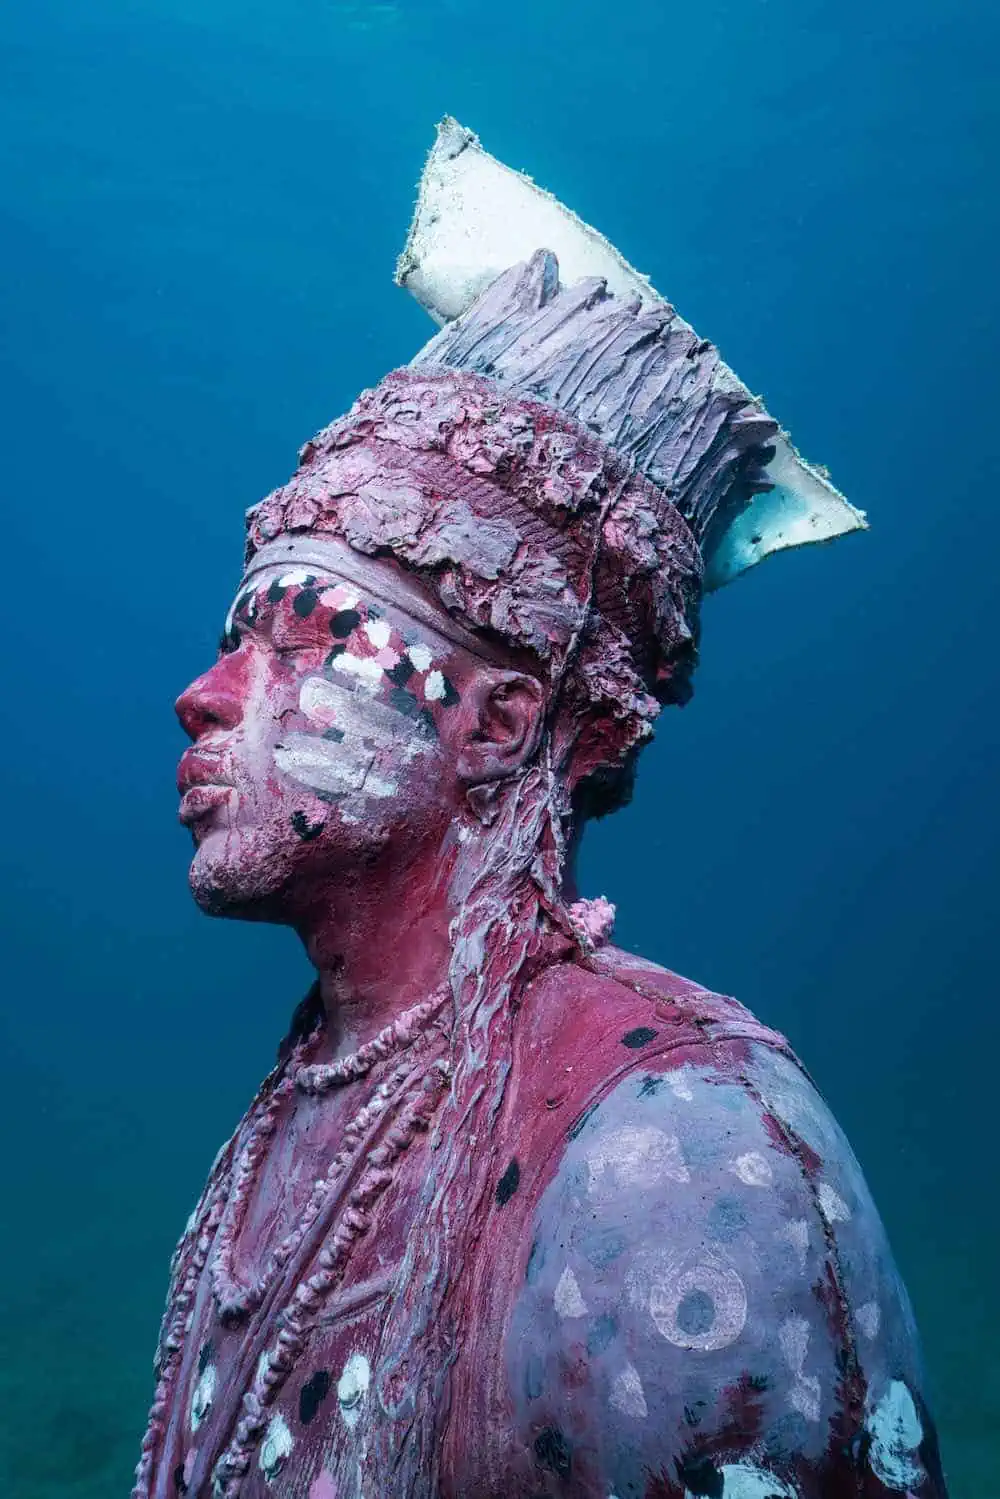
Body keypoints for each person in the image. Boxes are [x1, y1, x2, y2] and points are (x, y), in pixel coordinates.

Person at [134, 123, 947, 1499]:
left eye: (301, 637)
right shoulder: (307, 1103)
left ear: (502, 722)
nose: (202, 696)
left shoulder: (681, 1155)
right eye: (232, 636)